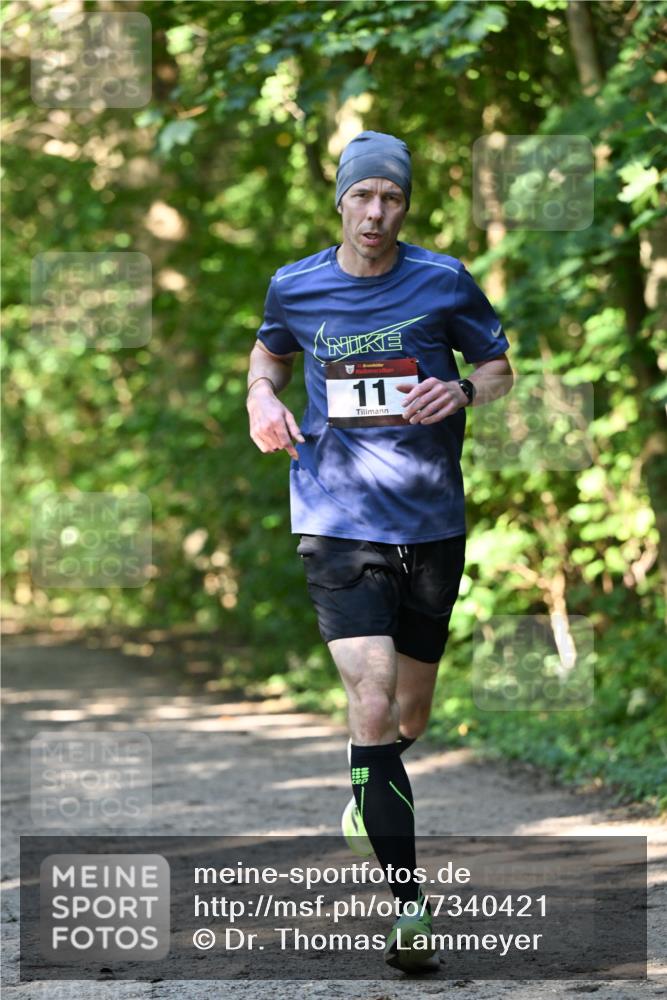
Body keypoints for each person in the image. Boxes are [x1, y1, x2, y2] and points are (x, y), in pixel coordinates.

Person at [246, 130, 514, 972]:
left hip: (430, 522)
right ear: (339, 200)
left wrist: (465, 387)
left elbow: (500, 366)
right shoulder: (296, 283)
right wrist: (261, 397)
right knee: (370, 696)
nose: (375, 211)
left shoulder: (441, 280)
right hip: (333, 516)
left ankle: (370, 781)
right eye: (361, 195)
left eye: (390, 198)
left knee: (407, 718)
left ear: (405, 205)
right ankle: (408, 910)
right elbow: (270, 349)